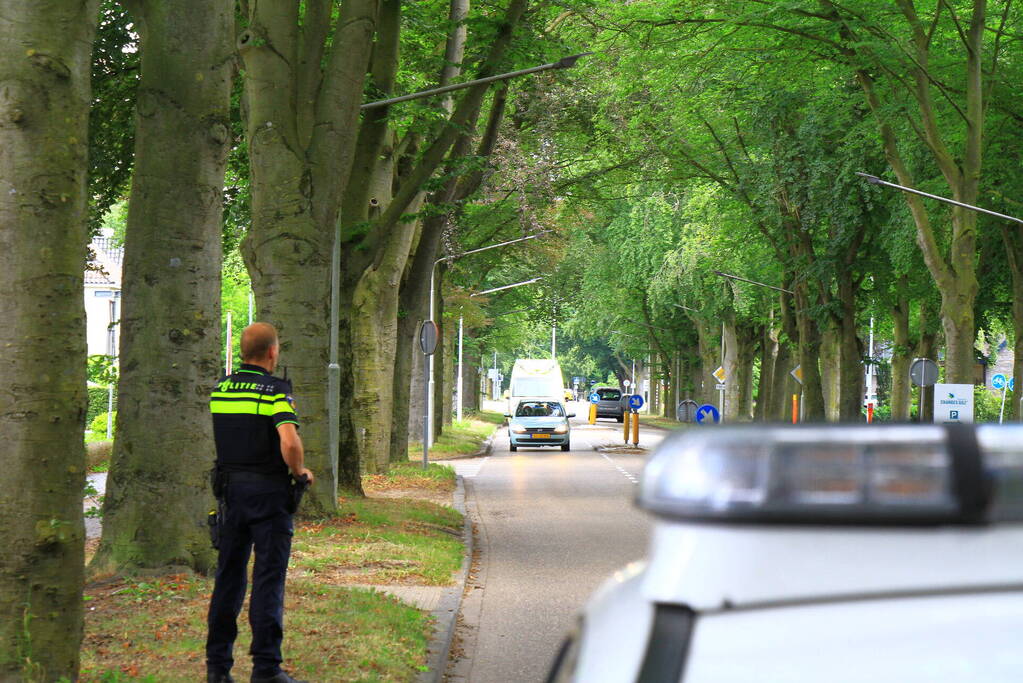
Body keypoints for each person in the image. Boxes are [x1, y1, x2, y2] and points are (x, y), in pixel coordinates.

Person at [206, 322, 314, 683]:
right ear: (272, 352)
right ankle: (266, 668)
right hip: (269, 495)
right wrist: (300, 472)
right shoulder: (274, 392)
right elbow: (289, 441)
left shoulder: (221, 389)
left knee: (229, 578)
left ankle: (217, 668)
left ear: (242, 351)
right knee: (268, 578)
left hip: (230, 494)